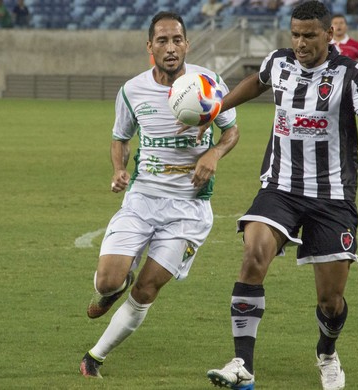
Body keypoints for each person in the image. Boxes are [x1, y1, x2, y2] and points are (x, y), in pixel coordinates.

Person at [202, 1, 358, 389]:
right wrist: (219, 105)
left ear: (329, 35)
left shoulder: (352, 74)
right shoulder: (279, 62)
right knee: (253, 254)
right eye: (295, 35)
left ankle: (327, 353)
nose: (300, 43)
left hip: (332, 195)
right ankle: (242, 364)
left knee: (330, 302)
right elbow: (258, 81)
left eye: (309, 35)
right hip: (280, 187)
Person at [79, 11, 240, 379]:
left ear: (187, 44)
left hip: (189, 208)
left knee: (147, 288)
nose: (171, 48)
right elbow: (120, 138)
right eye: (162, 41)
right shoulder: (132, 90)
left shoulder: (208, 82)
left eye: (177, 40)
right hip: (142, 199)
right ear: (149, 46)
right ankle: (114, 287)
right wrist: (119, 170)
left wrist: (214, 152)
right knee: (107, 281)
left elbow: (231, 132)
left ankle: (94, 358)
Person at [330, 13, 358, 173]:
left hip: (348, 95)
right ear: (330, 27)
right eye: (335, 23)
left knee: (346, 128)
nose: (339, 26)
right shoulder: (324, 45)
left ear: (346, 26)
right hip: (327, 94)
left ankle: (353, 161)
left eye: (341, 23)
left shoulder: (356, 46)